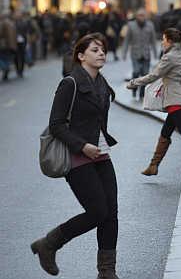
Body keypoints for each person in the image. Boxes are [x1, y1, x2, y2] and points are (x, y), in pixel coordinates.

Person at [31, 33, 120, 278]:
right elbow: (57, 124)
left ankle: (107, 271)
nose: (101, 53)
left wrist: (100, 142)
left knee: (111, 214)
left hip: (101, 153)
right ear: (81, 56)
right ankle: (48, 244)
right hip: (77, 156)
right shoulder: (69, 83)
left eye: (102, 49)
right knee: (97, 212)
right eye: (94, 50)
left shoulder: (101, 83)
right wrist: (82, 146)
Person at [126, 28, 181, 176]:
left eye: (164, 40)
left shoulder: (169, 57)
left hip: (174, 99)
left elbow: (153, 75)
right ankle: (153, 166)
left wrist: (134, 82)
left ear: (170, 41)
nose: (162, 43)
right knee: (166, 132)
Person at [122, 8, 158, 100]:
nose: (141, 17)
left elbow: (153, 40)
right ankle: (134, 89)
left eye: (143, 15)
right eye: (139, 15)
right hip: (135, 53)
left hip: (146, 53)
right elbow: (127, 40)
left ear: (145, 16)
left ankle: (142, 93)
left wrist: (155, 52)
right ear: (136, 16)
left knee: (145, 74)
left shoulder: (150, 25)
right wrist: (124, 52)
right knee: (136, 71)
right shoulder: (131, 25)